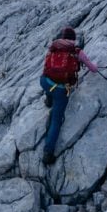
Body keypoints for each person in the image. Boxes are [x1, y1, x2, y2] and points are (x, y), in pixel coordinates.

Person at [40, 26, 98, 165]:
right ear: (73, 39)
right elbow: (93, 69)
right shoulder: (76, 51)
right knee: (56, 120)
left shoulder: (53, 47)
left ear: (62, 37)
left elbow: (47, 66)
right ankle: (48, 153)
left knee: (49, 81)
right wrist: (95, 65)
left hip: (44, 82)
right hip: (60, 90)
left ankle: (49, 98)